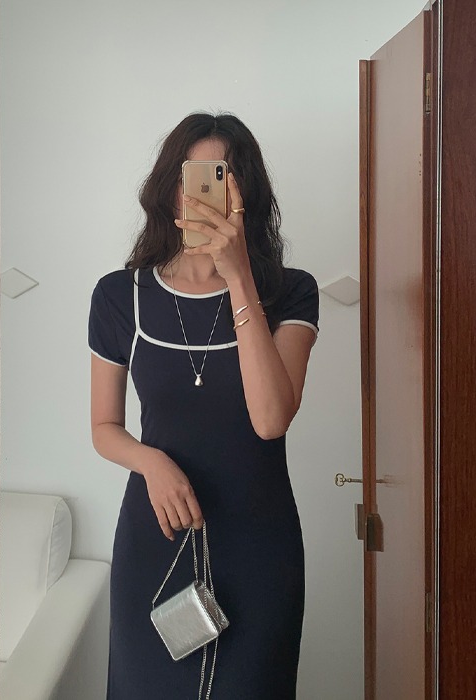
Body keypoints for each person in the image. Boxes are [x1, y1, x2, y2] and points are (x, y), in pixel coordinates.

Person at [88, 112, 319, 699]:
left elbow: (270, 419)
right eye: (193, 177)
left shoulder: (291, 291)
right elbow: (104, 426)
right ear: (169, 188)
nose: (205, 195)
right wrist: (152, 463)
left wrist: (238, 276)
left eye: (223, 176)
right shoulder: (120, 296)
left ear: (246, 192)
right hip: (156, 536)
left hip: (258, 546)